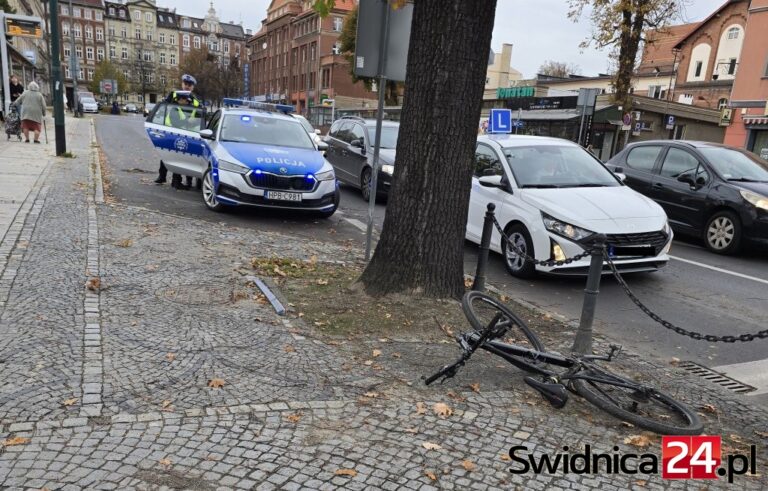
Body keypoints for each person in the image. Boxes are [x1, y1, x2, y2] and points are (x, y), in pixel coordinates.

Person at [155, 74, 202, 189]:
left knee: (182, 156)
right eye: (185, 84)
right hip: (170, 130)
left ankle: (181, 181)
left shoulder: (195, 101)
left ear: (193, 87)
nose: (187, 86)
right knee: (166, 154)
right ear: (182, 84)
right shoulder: (173, 95)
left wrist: (194, 121)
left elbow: (200, 116)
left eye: (190, 85)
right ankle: (162, 176)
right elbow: (164, 107)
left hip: (187, 132)